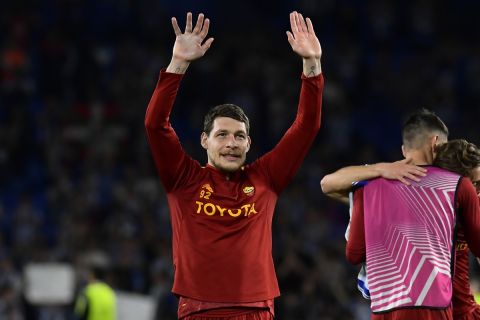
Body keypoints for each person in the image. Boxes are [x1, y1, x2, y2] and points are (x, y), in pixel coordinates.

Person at [144, 11, 324, 319]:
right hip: (200, 310)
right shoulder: (183, 178)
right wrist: (178, 65)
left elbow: (306, 126)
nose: (231, 143)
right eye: (222, 135)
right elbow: (155, 125)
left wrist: (312, 65)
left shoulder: (266, 177)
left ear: (249, 144)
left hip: (255, 310)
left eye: (240, 136)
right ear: (204, 140)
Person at [323, 109, 480, 319]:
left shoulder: (372, 188)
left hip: (388, 308)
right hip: (443, 310)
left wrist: (379, 170)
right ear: (436, 143)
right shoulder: (455, 187)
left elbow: (328, 186)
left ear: (404, 150)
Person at [433, 140, 480, 320]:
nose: (476, 192)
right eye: (473, 185)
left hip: (463, 312)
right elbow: (337, 184)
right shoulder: (420, 205)